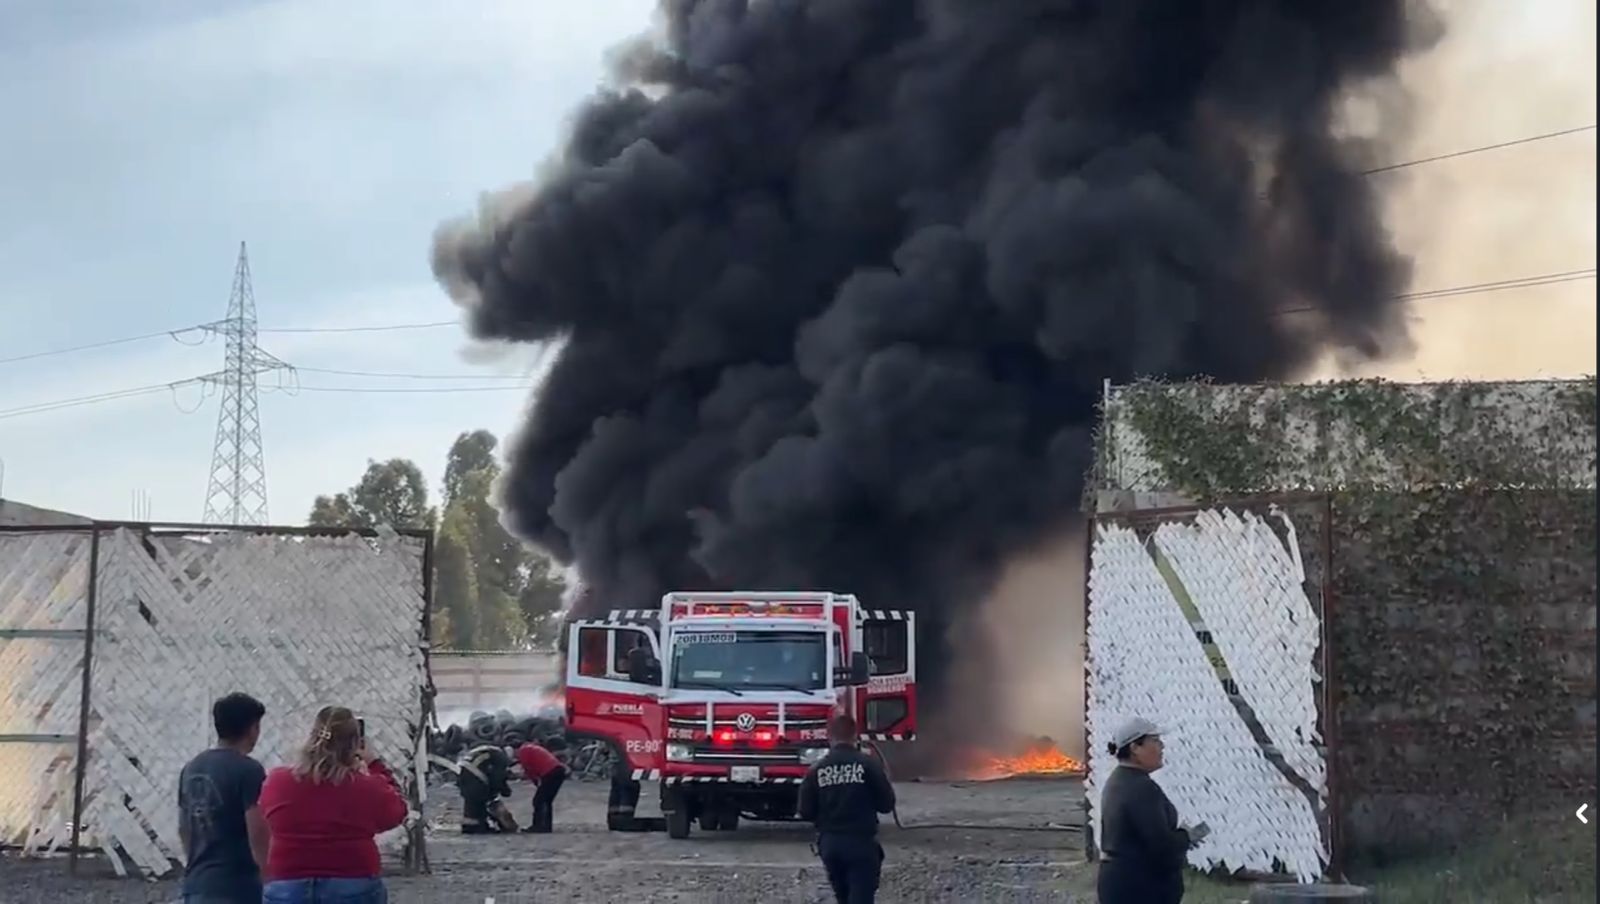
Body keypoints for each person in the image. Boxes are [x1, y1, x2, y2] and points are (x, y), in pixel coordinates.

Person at [258, 706, 408, 903]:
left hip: (288, 881)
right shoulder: (367, 787)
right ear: (355, 744)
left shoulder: (278, 781)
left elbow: (265, 816)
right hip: (353, 879)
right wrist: (374, 764)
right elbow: (397, 811)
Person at [1095, 717, 1211, 904]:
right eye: (1155, 741)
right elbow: (1160, 846)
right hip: (1139, 888)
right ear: (1135, 748)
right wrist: (1186, 836)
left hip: (1121, 882)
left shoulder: (1119, 781)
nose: (1162, 746)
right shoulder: (1140, 788)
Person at [178, 692, 269, 904]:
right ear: (253, 728)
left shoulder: (191, 768)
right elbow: (257, 831)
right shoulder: (249, 770)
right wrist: (267, 875)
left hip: (197, 883)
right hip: (237, 885)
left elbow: (184, 829)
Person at [797, 713, 896, 904]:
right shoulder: (869, 765)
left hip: (830, 845)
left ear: (829, 736)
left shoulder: (816, 769)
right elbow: (887, 805)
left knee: (842, 897)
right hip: (861, 843)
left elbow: (805, 811)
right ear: (855, 735)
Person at [457, 743, 518, 833]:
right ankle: (478, 827)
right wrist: (505, 790)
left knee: (471, 801)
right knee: (480, 799)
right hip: (474, 775)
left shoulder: (491, 749)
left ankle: (469, 826)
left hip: (462, 773)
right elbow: (497, 778)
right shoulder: (501, 757)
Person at [512, 741, 568, 833]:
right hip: (558, 771)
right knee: (547, 801)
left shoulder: (523, 751)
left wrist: (533, 781)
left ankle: (538, 826)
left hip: (551, 773)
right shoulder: (531, 747)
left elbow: (528, 769)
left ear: (515, 749)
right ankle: (546, 826)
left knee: (538, 801)